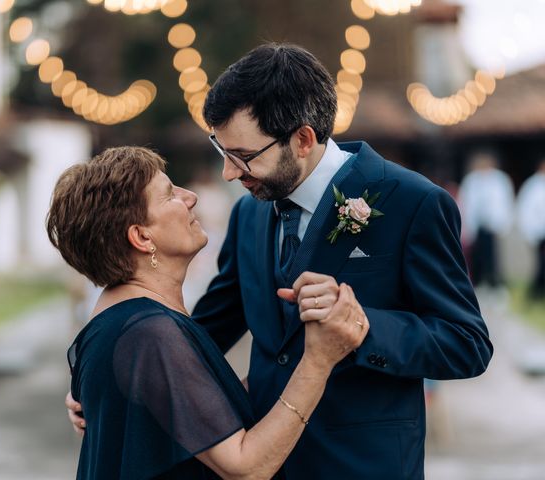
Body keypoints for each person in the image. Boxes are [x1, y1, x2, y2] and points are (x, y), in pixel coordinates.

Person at [68, 44, 493, 479]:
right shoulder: (248, 213)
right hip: (262, 460)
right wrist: (116, 382)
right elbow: (205, 329)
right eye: (223, 152)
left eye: (244, 157)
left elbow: (467, 343)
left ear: (303, 139)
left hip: (363, 465)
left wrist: (363, 326)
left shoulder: (413, 202)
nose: (230, 174)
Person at [48, 146, 368, 479]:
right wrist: (318, 362)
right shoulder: (149, 335)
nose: (191, 197)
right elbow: (247, 469)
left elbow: (194, 411)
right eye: (170, 194)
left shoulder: (123, 321)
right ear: (142, 237)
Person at [458, 150, 514, 287]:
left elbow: (505, 201)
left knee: (493, 256)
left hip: (493, 225)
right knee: (477, 256)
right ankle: (477, 282)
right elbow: (466, 203)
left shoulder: (500, 180)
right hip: (477, 225)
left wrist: (503, 222)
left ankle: (494, 282)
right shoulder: (472, 180)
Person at [517, 158, 545, 299]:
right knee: (541, 263)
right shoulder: (532, 186)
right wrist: (529, 232)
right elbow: (526, 210)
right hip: (539, 232)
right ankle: (536, 293)